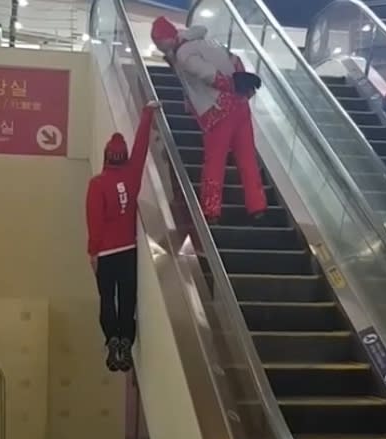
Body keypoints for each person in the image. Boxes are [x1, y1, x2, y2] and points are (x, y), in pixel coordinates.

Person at [150, 16, 267, 223]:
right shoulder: (207, 41)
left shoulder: (184, 53)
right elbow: (235, 60)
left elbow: (208, 75)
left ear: (166, 39)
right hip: (240, 105)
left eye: (159, 43)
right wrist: (242, 86)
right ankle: (257, 205)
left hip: (218, 109)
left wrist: (230, 84)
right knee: (247, 156)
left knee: (215, 160)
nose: (159, 47)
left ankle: (211, 209)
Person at [86, 101, 160, 372]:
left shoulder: (97, 184)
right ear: (124, 156)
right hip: (128, 250)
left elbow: (94, 222)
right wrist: (147, 112)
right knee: (127, 298)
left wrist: (93, 252)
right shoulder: (132, 175)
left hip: (105, 253)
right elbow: (141, 146)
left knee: (107, 298)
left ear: (106, 156)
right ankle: (126, 341)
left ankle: (112, 338)